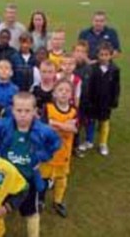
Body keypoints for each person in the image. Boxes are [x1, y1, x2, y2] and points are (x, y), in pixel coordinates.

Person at [0, 92, 61, 237]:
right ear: (12, 110)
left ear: (35, 111)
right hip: (6, 178)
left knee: (31, 212)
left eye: (27, 111)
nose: (23, 115)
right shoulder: (3, 125)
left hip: (29, 179)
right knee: (0, 208)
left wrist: (41, 157)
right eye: (19, 111)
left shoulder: (43, 130)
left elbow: (56, 143)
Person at [39, 79, 78, 218]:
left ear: (71, 94)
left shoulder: (74, 111)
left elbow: (73, 128)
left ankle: (58, 201)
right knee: (43, 178)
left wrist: (54, 124)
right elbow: (44, 127)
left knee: (61, 179)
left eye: (67, 90)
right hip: (48, 152)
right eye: (60, 90)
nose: (64, 93)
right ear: (54, 93)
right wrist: (65, 126)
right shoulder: (47, 108)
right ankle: (40, 200)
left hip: (64, 152)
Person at [82, 42, 121, 156]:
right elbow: (88, 85)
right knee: (91, 122)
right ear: (97, 55)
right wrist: (87, 100)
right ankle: (89, 141)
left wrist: (114, 101)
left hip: (106, 102)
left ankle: (103, 143)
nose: (104, 57)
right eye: (101, 55)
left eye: (106, 54)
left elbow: (116, 87)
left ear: (110, 55)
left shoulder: (115, 69)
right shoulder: (92, 68)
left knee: (104, 122)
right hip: (93, 101)